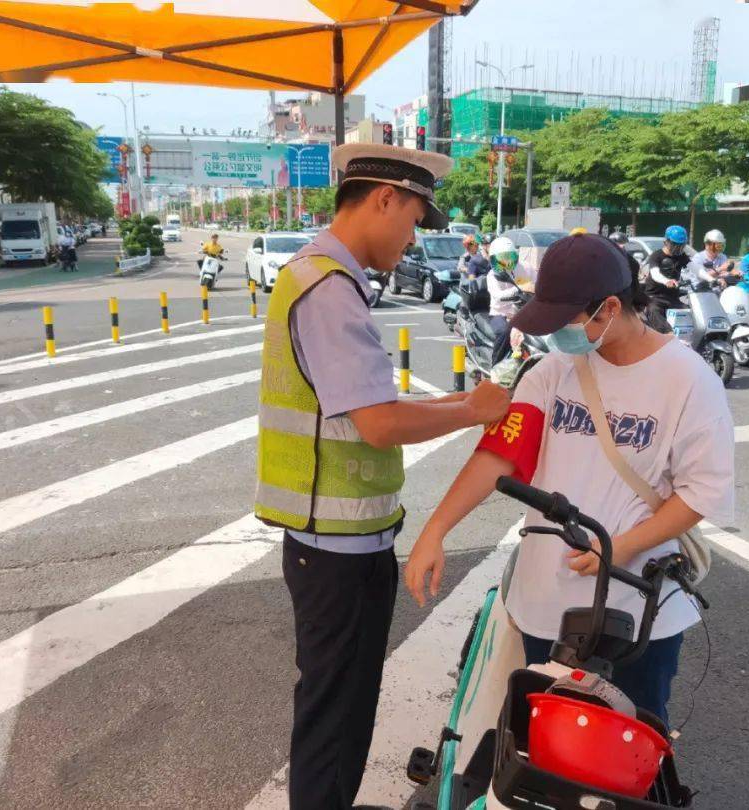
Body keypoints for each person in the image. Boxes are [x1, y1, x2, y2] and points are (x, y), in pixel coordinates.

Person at [255, 143, 511, 810]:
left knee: (335, 713)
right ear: (385, 199)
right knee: (334, 723)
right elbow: (377, 424)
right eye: (415, 218)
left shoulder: (318, 274)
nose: (414, 236)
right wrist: (470, 411)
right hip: (335, 552)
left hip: (333, 544)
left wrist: (462, 405)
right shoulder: (329, 289)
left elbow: (371, 406)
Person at [404, 232, 735, 726]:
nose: (557, 332)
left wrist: (622, 546)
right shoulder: (552, 372)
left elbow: (702, 492)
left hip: (636, 611)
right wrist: (435, 530)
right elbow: (498, 455)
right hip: (546, 606)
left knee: (628, 743)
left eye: (566, 319)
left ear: (607, 308)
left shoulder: (688, 382)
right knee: (543, 743)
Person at [486, 236, 534, 368]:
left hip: (524, 311)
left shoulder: (526, 268)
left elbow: (538, 283)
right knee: (504, 331)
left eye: (509, 257)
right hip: (500, 313)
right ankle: (495, 368)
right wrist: (519, 289)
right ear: (493, 259)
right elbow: (497, 296)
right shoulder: (492, 275)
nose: (506, 262)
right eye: (501, 259)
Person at [643, 225, 691, 333]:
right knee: (653, 310)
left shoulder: (682, 256)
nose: (677, 248)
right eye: (675, 244)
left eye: (680, 245)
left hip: (673, 298)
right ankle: (669, 337)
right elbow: (655, 274)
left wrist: (711, 279)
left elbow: (695, 268)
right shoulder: (656, 255)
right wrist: (666, 281)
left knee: (691, 312)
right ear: (666, 241)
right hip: (654, 297)